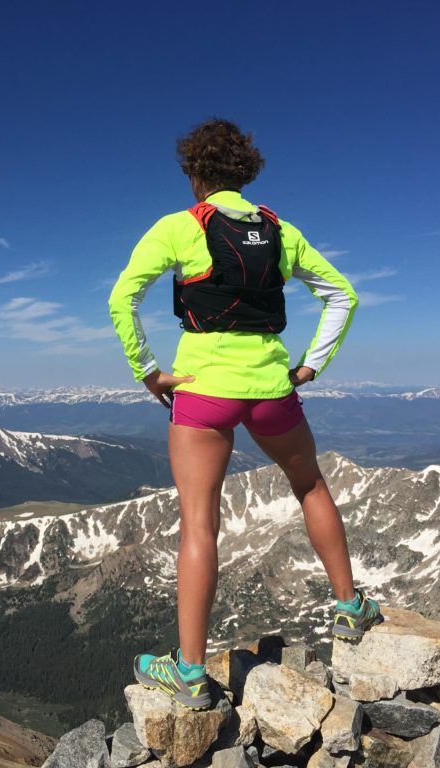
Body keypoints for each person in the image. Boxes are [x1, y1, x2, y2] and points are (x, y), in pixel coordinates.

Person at [107, 118, 381, 710]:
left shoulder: (180, 227)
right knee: (309, 485)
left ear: (195, 174)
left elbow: (122, 296)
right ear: (248, 172)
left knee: (200, 523)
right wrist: (310, 366)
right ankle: (350, 610)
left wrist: (148, 369)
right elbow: (343, 296)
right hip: (272, 386)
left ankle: (188, 672)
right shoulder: (281, 233)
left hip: (202, 392)